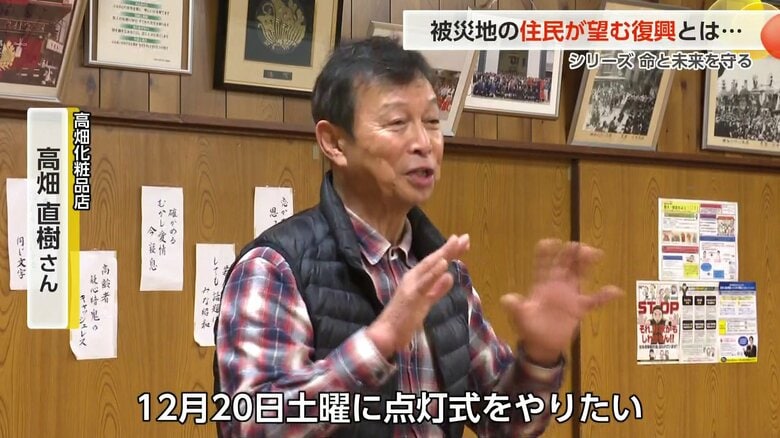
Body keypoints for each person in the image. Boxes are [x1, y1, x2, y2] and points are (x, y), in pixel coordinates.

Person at [213, 36, 622, 438]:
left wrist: (539, 355)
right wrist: (379, 343)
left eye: (431, 122)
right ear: (334, 142)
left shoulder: (444, 273)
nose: (424, 143)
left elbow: (506, 424)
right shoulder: (274, 266)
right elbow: (250, 425)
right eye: (397, 123)